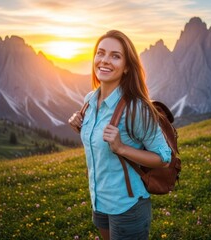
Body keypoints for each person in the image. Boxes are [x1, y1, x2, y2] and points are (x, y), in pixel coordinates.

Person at [68, 30, 171, 240]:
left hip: (127, 206)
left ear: (126, 68)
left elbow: (164, 157)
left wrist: (121, 148)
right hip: (99, 200)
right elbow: (98, 137)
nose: (105, 60)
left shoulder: (136, 108)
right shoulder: (89, 99)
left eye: (115, 56)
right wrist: (80, 125)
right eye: (101, 53)